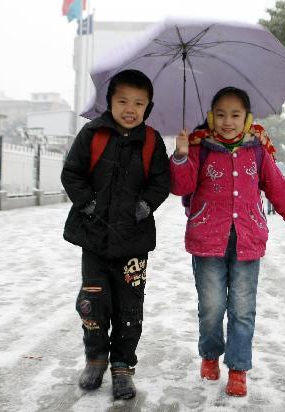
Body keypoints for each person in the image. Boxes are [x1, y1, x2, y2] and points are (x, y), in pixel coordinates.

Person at [169, 87, 285, 397]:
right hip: (207, 241)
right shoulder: (200, 146)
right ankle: (210, 355)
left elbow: (279, 189)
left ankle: (238, 367)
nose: (228, 121)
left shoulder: (258, 149)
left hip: (247, 241)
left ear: (247, 118)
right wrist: (181, 156)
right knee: (211, 307)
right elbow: (181, 186)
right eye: (220, 114)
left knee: (243, 308)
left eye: (235, 115)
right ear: (211, 117)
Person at [61, 69, 170, 400]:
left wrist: (147, 204)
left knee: (129, 308)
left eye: (139, 103)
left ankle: (123, 366)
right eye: (123, 100)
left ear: (148, 107)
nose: (130, 108)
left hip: (133, 244)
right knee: (93, 303)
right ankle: (95, 358)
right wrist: (88, 203)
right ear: (109, 101)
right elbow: (71, 173)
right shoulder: (92, 134)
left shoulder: (152, 141)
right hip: (94, 240)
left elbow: (161, 182)